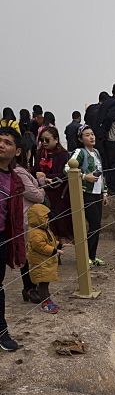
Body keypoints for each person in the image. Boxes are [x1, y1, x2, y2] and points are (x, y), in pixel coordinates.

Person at [0, 126, 27, 350]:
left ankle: (1, 332)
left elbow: (15, 220)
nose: (1, 145)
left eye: (7, 143)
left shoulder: (16, 181)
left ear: (17, 151)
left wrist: (18, 249)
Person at [70, 124, 108, 265]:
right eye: (87, 135)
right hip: (86, 193)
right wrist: (85, 177)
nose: (91, 137)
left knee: (96, 225)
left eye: (92, 134)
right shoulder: (79, 152)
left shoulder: (97, 152)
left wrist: (105, 192)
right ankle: (85, 256)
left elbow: (101, 173)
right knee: (94, 225)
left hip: (97, 193)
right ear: (80, 139)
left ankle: (92, 256)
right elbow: (68, 168)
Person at [13, 144, 45, 302]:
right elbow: (34, 195)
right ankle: (30, 288)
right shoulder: (19, 171)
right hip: (26, 217)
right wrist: (41, 191)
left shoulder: (18, 170)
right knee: (29, 254)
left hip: (27, 217)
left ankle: (32, 287)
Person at [26, 203, 69, 313]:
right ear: (39, 219)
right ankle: (45, 303)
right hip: (40, 262)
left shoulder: (44, 229)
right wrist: (55, 251)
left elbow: (51, 240)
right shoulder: (35, 232)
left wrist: (60, 245)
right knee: (43, 283)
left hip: (46, 262)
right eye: (46, 219)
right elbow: (40, 246)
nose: (49, 221)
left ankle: (47, 300)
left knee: (46, 282)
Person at [35, 128, 73, 242]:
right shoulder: (39, 154)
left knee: (60, 225)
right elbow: (35, 171)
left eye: (47, 139)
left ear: (56, 140)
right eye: (42, 140)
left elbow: (65, 174)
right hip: (43, 194)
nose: (44, 142)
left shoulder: (63, 155)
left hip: (59, 195)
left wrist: (46, 177)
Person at [92, 83, 115, 195]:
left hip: (104, 139)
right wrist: (105, 130)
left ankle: (110, 186)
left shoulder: (106, 102)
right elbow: (110, 118)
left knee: (109, 163)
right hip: (113, 138)